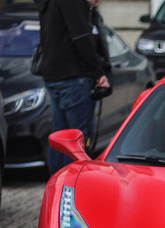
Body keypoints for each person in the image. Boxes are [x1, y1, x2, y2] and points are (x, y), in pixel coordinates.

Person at [35, 0, 111, 176]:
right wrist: (99, 73)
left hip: (54, 76)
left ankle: (57, 184)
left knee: (60, 137)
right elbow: (81, 37)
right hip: (74, 78)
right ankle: (72, 186)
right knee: (76, 141)